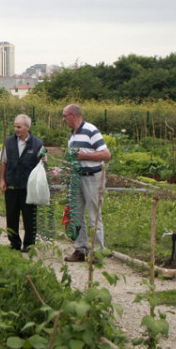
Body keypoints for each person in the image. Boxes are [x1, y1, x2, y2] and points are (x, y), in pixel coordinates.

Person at [61, 104, 111, 262]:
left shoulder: (91, 130)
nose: (63, 120)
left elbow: (106, 154)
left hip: (92, 178)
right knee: (76, 214)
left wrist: (83, 156)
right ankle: (80, 249)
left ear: (74, 115)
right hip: (77, 178)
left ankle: (97, 251)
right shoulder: (72, 135)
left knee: (93, 214)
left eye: (65, 116)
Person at [0, 114, 45, 253]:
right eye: (15, 126)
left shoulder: (37, 143)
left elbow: (43, 163)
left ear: (27, 127)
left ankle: (29, 245)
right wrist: (2, 180)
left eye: (19, 127)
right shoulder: (8, 142)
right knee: (11, 216)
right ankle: (14, 243)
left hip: (29, 187)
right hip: (12, 184)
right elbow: (3, 161)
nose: (16, 129)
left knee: (29, 217)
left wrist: (44, 158)